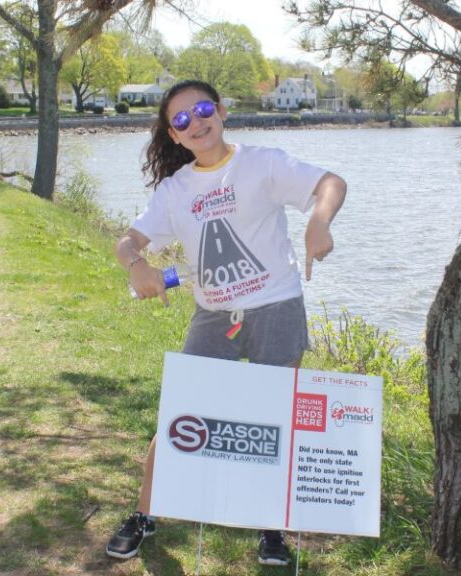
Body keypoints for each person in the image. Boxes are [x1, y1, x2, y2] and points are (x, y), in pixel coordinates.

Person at [107, 79, 347, 566]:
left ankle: (271, 530)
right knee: (179, 413)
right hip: (214, 315)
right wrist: (139, 266)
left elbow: (330, 184)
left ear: (219, 110)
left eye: (201, 110)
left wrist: (318, 221)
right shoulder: (175, 191)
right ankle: (145, 513)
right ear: (174, 136)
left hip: (276, 308)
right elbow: (126, 242)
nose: (195, 123)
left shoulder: (263, 163)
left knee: (273, 419)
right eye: (181, 120)